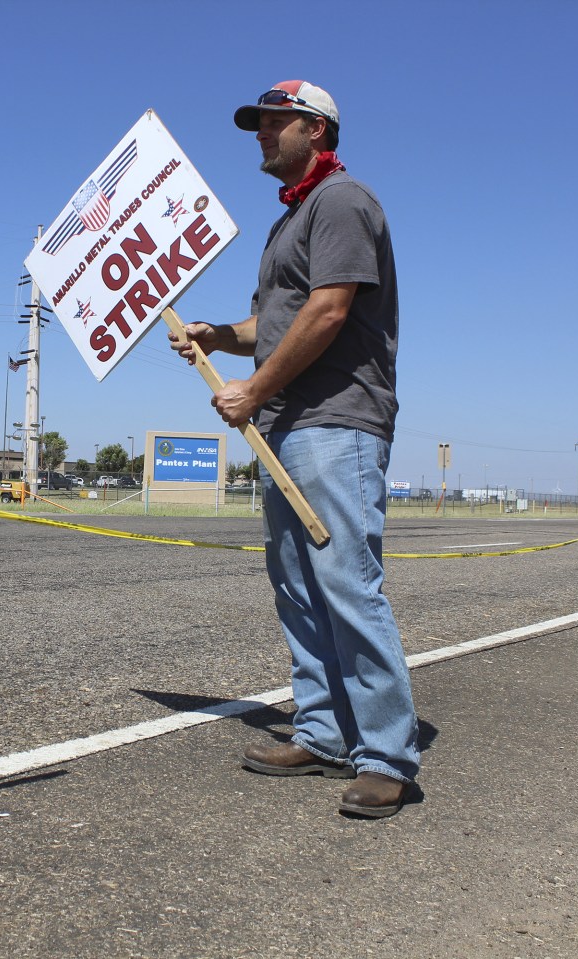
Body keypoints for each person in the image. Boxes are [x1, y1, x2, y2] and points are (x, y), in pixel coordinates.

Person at [169, 80, 419, 817]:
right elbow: (272, 323)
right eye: (260, 123)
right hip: (287, 424)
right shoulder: (291, 220)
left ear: (317, 129)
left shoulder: (342, 201)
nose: (261, 132)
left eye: (276, 121)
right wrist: (218, 335)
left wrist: (252, 388)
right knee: (300, 590)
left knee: (346, 585)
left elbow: (330, 309)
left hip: (336, 421)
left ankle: (386, 756)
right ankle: (323, 733)